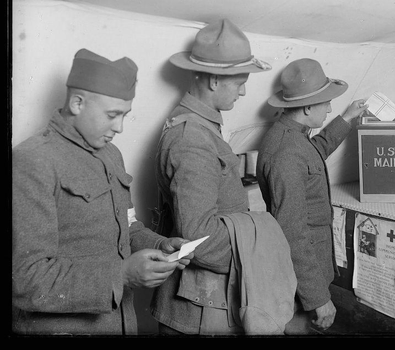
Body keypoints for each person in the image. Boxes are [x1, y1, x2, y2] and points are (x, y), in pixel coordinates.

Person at [12, 49, 192, 336]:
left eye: (125, 116)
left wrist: (160, 246)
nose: (119, 127)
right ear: (77, 103)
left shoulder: (111, 155)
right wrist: (120, 275)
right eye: (112, 115)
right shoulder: (32, 161)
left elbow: (126, 227)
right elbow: (25, 279)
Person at [150, 19, 272, 335]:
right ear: (215, 80)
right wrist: (258, 250)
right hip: (200, 310)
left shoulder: (202, 127)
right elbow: (199, 239)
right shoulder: (192, 138)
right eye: (239, 82)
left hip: (208, 300)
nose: (244, 91)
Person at [256, 58, 367, 332]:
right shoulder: (286, 153)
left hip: (306, 276)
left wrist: (347, 118)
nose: (330, 108)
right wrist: (317, 298)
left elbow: (314, 152)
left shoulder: (291, 136)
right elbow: (292, 230)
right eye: (326, 103)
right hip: (301, 282)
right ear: (307, 107)